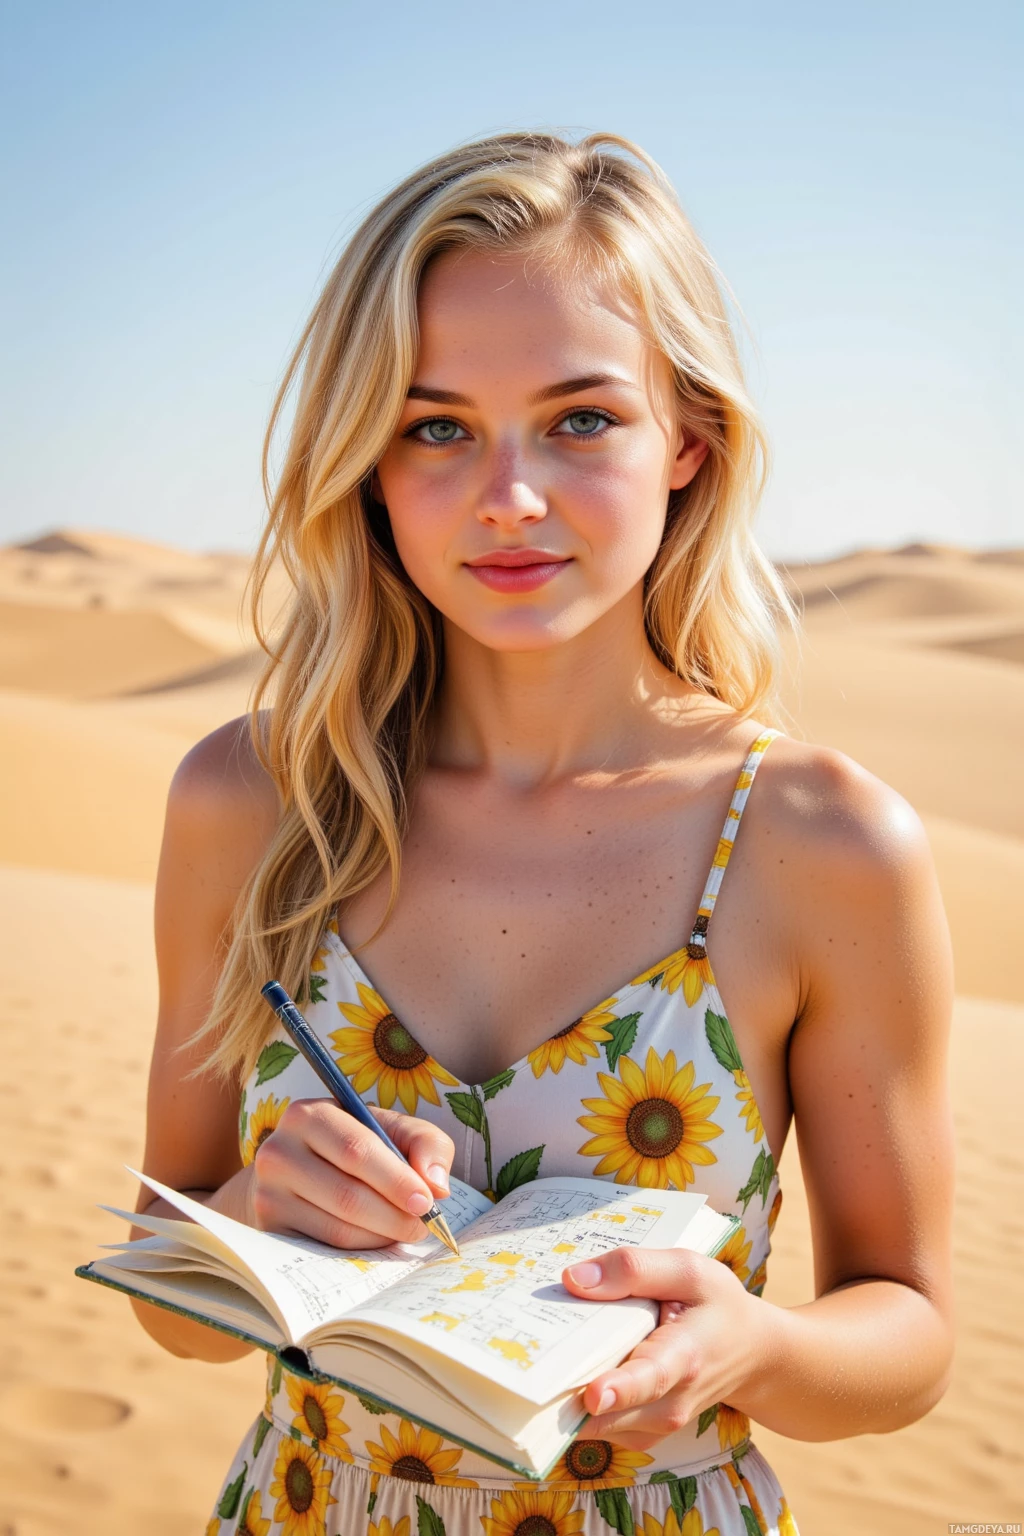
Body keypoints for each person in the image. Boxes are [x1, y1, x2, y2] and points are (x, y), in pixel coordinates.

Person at [133, 133, 955, 1536]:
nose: (509, 497)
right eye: (437, 426)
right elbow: (177, 1309)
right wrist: (253, 1224)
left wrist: (748, 1349)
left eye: (581, 419)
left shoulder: (821, 842)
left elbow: (910, 1333)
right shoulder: (251, 802)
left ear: (686, 437)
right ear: (370, 464)